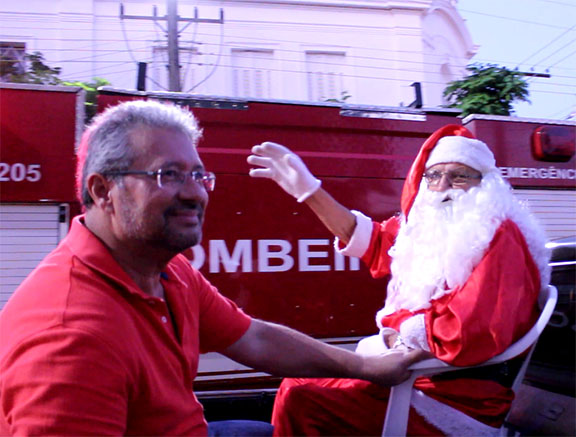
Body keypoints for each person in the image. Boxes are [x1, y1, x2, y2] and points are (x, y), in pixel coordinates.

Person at [0, 100, 425, 436]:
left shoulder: (167, 271)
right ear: (102, 190)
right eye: (169, 175)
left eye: (199, 175)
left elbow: (253, 338)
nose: (195, 194)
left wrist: (365, 367)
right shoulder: (69, 337)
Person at [247, 125, 551, 436]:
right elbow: (375, 241)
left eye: (458, 176)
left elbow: (469, 330)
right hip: (418, 378)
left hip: (455, 399)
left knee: (302, 398)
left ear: (483, 184)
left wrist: (400, 334)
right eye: (433, 175)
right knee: (295, 386)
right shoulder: (435, 227)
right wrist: (310, 192)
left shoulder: (498, 235)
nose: (442, 185)